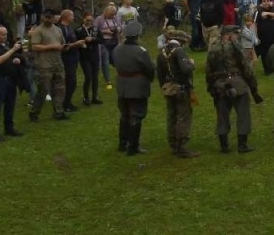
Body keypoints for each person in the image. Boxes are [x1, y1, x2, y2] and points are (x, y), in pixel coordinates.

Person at [208, 25, 262, 152]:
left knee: (222, 115)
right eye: (236, 34)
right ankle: (242, 145)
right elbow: (247, 69)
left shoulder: (213, 49)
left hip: (219, 85)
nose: (237, 36)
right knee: (243, 114)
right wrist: (253, 87)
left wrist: (211, 87)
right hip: (237, 83)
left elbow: (209, 70)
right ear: (229, 35)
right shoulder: (236, 47)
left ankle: (224, 146)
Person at [112, 19, 156, 155]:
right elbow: (149, 69)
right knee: (136, 115)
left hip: (122, 85)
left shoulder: (117, 49)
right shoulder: (140, 51)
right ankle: (133, 146)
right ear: (138, 35)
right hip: (137, 86)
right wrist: (149, 79)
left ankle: (123, 143)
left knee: (124, 114)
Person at [156, 27, 199, 157]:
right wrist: (191, 64)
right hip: (181, 88)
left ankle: (173, 143)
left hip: (168, 88)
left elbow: (159, 74)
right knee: (183, 116)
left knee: (171, 116)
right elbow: (185, 69)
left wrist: (163, 87)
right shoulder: (179, 51)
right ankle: (181, 146)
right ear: (182, 41)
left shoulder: (162, 52)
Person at [28, 7, 69, 122]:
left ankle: (58, 111)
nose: (47, 19)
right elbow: (34, 47)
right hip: (44, 64)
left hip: (57, 62)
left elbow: (62, 43)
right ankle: (34, 112)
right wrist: (52, 46)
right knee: (43, 89)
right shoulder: (38, 30)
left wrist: (64, 47)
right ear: (42, 17)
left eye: (50, 17)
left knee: (59, 88)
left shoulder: (58, 29)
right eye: (45, 17)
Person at [0, 25, 26, 141]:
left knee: (10, 105)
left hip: (10, 79)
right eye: (3, 35)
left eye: (6, 34)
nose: (5, 37)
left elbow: (8, 58)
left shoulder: (5, 46)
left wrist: (15, 59)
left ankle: (9, 127)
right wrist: (13, 50)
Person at [58, 8, 92, 113]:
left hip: (73, 58)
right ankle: (65, 104)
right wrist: (75, 44)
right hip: (66, 59)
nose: (74, 17)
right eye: (72, 16)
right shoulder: (61, 29)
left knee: (72, 82)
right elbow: (63, 46)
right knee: (70, 82)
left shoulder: (70, 28)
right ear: (66, 17)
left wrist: (79, 43)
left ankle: (68, 102)